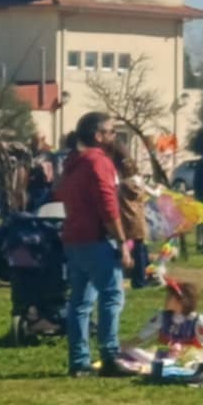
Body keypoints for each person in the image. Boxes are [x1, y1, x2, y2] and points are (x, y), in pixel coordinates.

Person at [56, 111, 133, 378]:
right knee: (112, 295)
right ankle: (110, 356)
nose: (114, 136)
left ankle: (79, 361)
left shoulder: (72, 162)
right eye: (111, 132)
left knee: (80, 301)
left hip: (74, 238)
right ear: (98, 136)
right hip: (96, 239)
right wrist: (122, 241)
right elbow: (107, 204)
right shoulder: (98, 162)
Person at [127, 278, 203, 369]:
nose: (166, 299)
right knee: (133, 351)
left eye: (169, 297)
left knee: (193, 362)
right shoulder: (163, 317)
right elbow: (144, 335)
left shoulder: (197, 320)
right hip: (165, 352)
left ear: (181, 301)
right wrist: (128, 344)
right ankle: (157, 364)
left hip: (188, 354)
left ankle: (158, 365)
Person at [110, 129, 154, 288]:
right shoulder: (135, 179)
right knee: (140, 246)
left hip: (127, 217)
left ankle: (138, 279)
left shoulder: (123, 183)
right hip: (137, 218)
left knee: (134, 247)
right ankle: (142, 277)